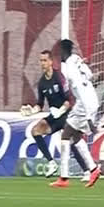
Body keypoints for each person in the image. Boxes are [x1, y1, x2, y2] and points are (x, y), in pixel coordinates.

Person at [20, 50, 90, 181]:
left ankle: (87, 171)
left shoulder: (59, 77)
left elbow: (69, 100)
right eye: (41, 61)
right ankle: (51, 163)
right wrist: (32, 111)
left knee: (72, 142)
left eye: (45, 60)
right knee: (35, 131)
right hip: (55, 116)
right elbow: (40, 104)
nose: (42, 63)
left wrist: (61, 110)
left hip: (67, 114)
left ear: (51, 62)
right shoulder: (42, 83)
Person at [50, 39, 102, 189]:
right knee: (76, 136)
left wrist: (89, 118)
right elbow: (90, 75)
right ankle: (93, 169)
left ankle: (64, 177)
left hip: (85, 104)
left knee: (66, 135)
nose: (58, 55)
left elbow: (79, 89)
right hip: (91, 99)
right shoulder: (76, 59)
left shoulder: (70, 70)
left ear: (63, 51)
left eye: (59, 52)